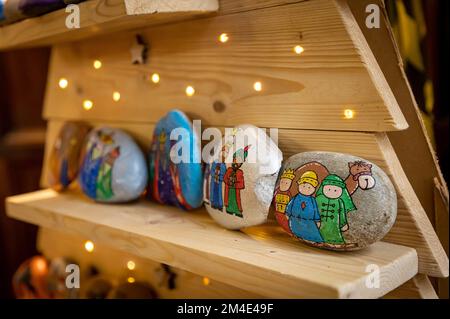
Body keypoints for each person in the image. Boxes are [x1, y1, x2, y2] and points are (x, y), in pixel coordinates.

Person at [315, 174, 356, 245]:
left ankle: (334, 242)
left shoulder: (339, 202)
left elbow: (342, 213)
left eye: (335, 190)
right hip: (320, 223)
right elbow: (313, 210)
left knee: (334, 234)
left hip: (333, 224)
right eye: (329, 189)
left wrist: (343, 224)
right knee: (318, 232)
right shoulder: (318, 199)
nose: (331, 192)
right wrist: (316, 220)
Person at [285, 171, 323, 243]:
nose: (306, 189)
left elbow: (315, 210)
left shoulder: (312, 200)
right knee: (296, 230)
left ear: (314, 189)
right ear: (299, 186)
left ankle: (315, 240)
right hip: (295, 220)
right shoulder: (295, 198)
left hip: (309, 222)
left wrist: (317, 220)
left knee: (312, 233)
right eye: (304, 186)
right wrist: (288, 214)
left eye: (309, 187)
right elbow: (290, 205)